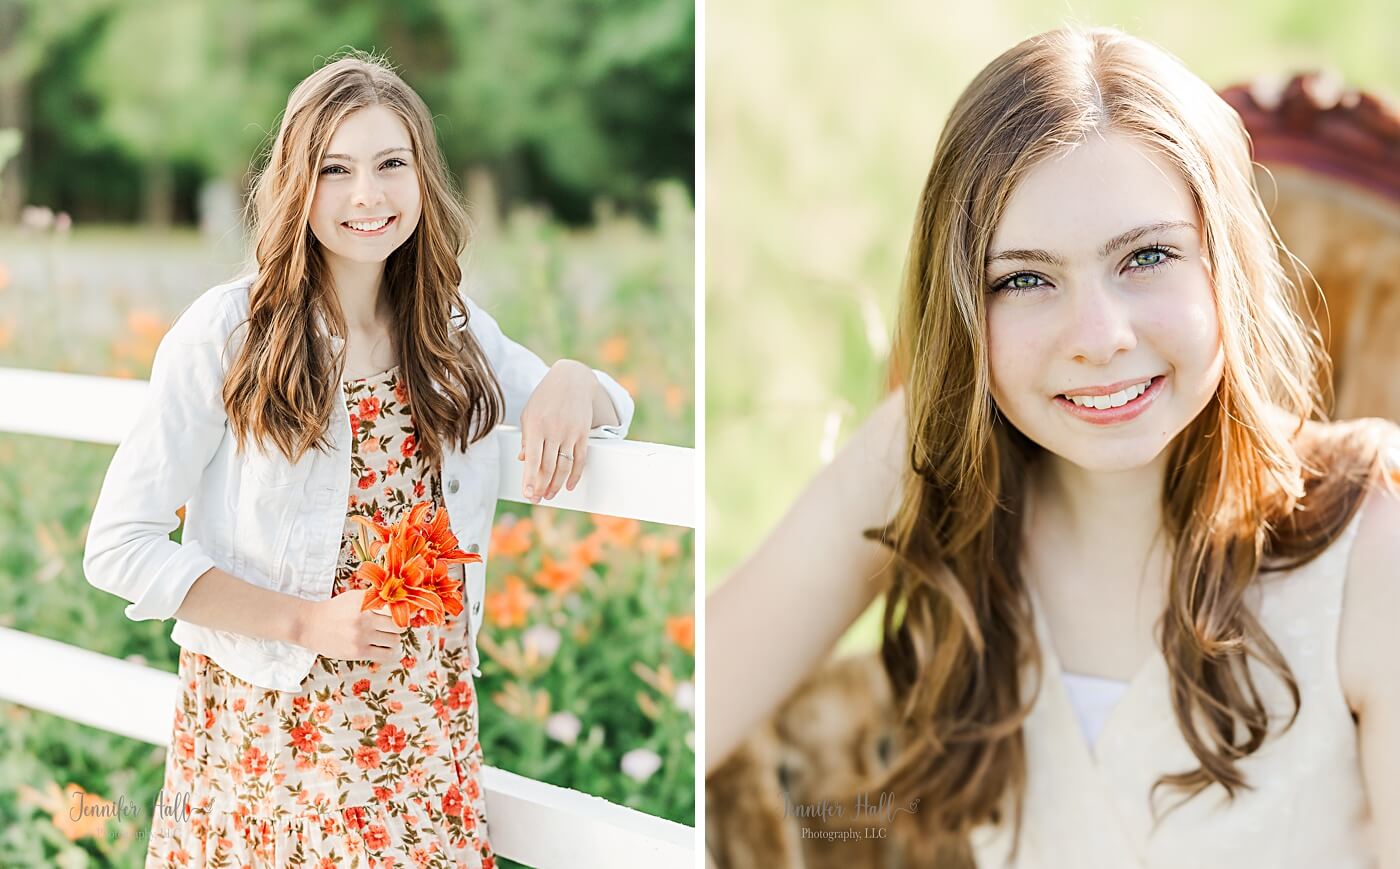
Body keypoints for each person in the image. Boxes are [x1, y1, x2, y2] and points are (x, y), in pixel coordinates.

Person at [706, 25, 1400, 868]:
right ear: (965, 309)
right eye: (1024, 279)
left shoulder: (1370, 538)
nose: (1098, 337)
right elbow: (697, 710)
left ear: (1229, 267)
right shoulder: (934, 473)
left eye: (1146, 256)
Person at [82, 52, 634, 867]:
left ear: (422, 178)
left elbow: (611, 410)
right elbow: (117, 547)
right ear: (296, 184)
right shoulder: (228, 333)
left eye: (390, 164)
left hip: (421, 722)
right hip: (279, 723)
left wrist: (572, 379)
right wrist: (308, 621)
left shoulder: (448, 329)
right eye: (335, 169)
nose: (366, 194)